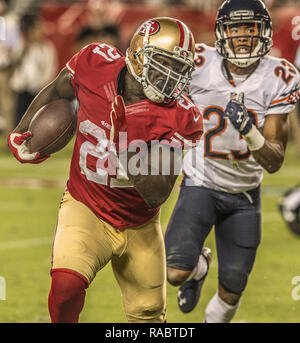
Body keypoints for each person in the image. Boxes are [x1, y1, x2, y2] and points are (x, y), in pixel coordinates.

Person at [7, 17, 203, 323]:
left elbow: (157, 194)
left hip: (140, 224)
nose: (170, 78)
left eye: (178, 69)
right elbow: (59, 88)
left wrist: (125, 144)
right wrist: (22, 131)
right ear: (139, 55)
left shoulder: (180, 116)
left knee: (148, 316)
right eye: (164, 65)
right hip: (86, 205)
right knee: (65, 286)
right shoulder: (94, 63)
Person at [164, 0, 300, 323]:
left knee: (232, 291)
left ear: (263, 32)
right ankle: (200, 267)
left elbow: (274, 160)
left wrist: (250, 131)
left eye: (249, 28)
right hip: (201, 181)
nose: (241, 36)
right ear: (221, 32)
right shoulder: (197, 62)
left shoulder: (278, 76)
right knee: (174, 271)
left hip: (244, 193)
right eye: (235, 28)